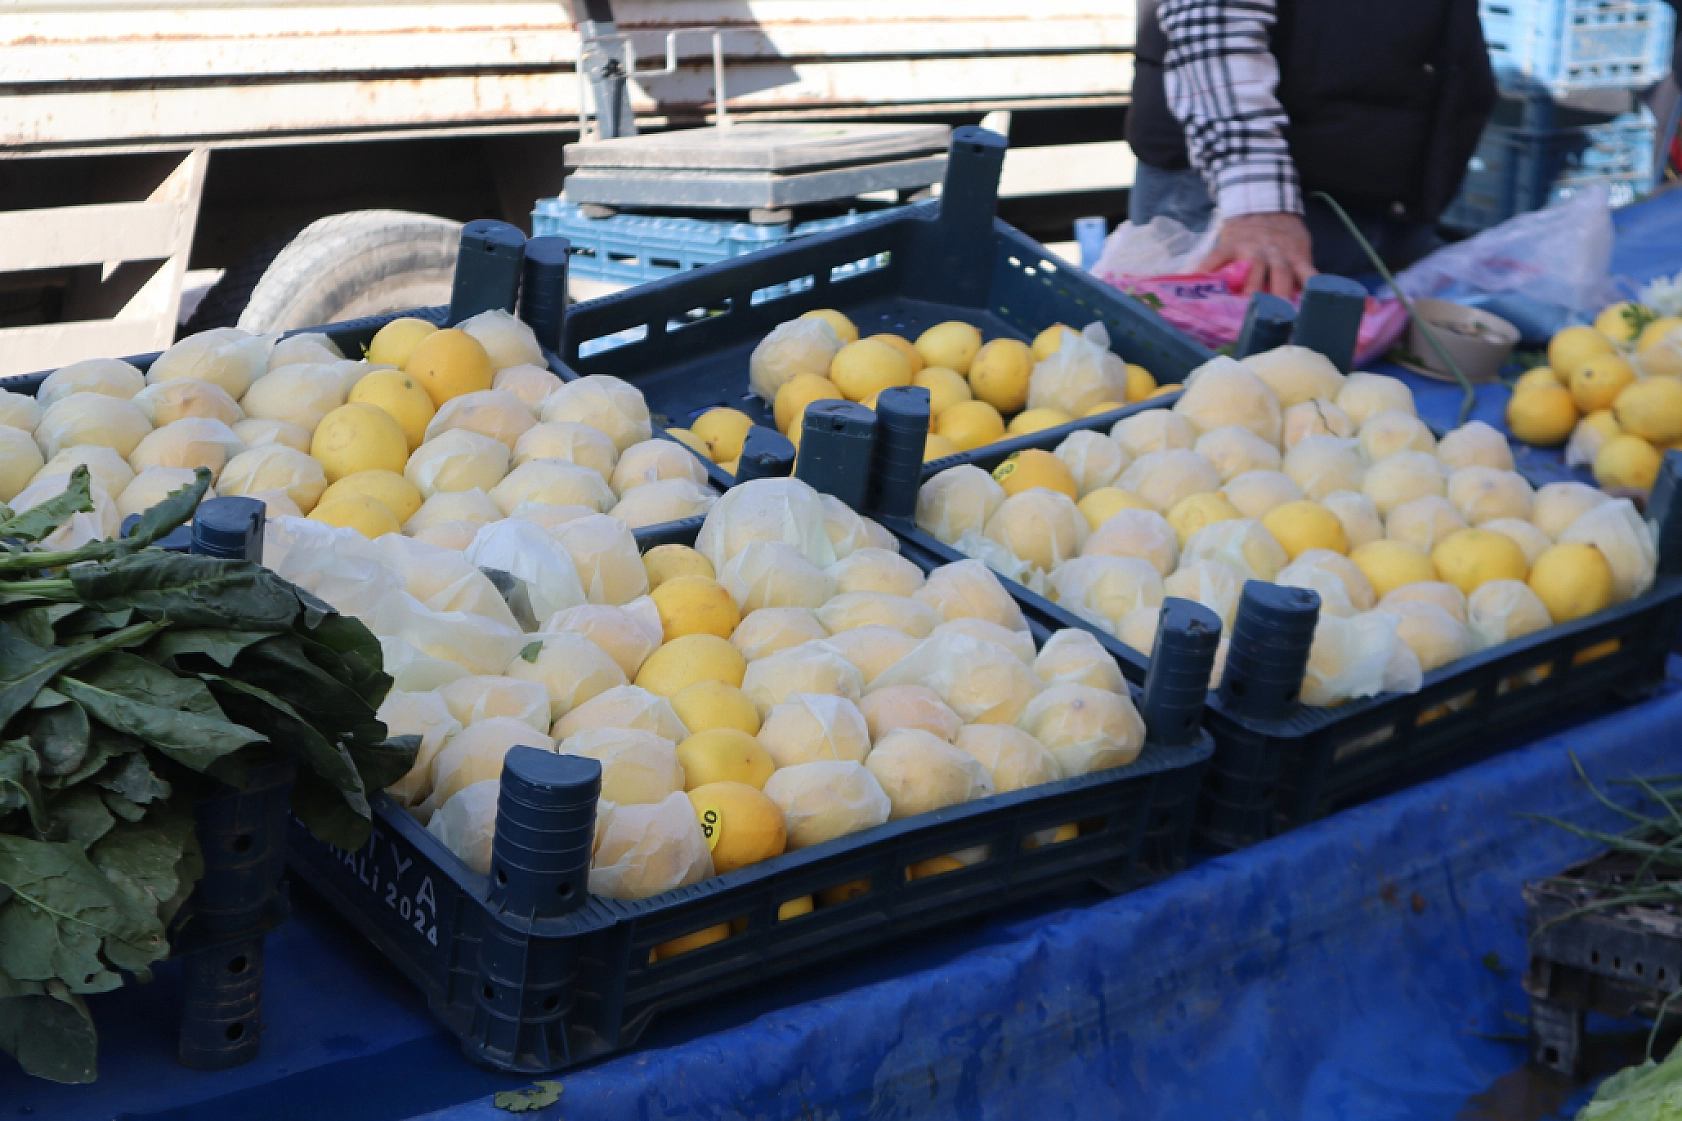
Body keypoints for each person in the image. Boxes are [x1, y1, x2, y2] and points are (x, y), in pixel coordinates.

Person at [1127, 0, 1498, 296]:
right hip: (1252, 209)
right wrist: (1259, 208)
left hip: (1383, 206)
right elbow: (1213, 23)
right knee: (1215, 377)